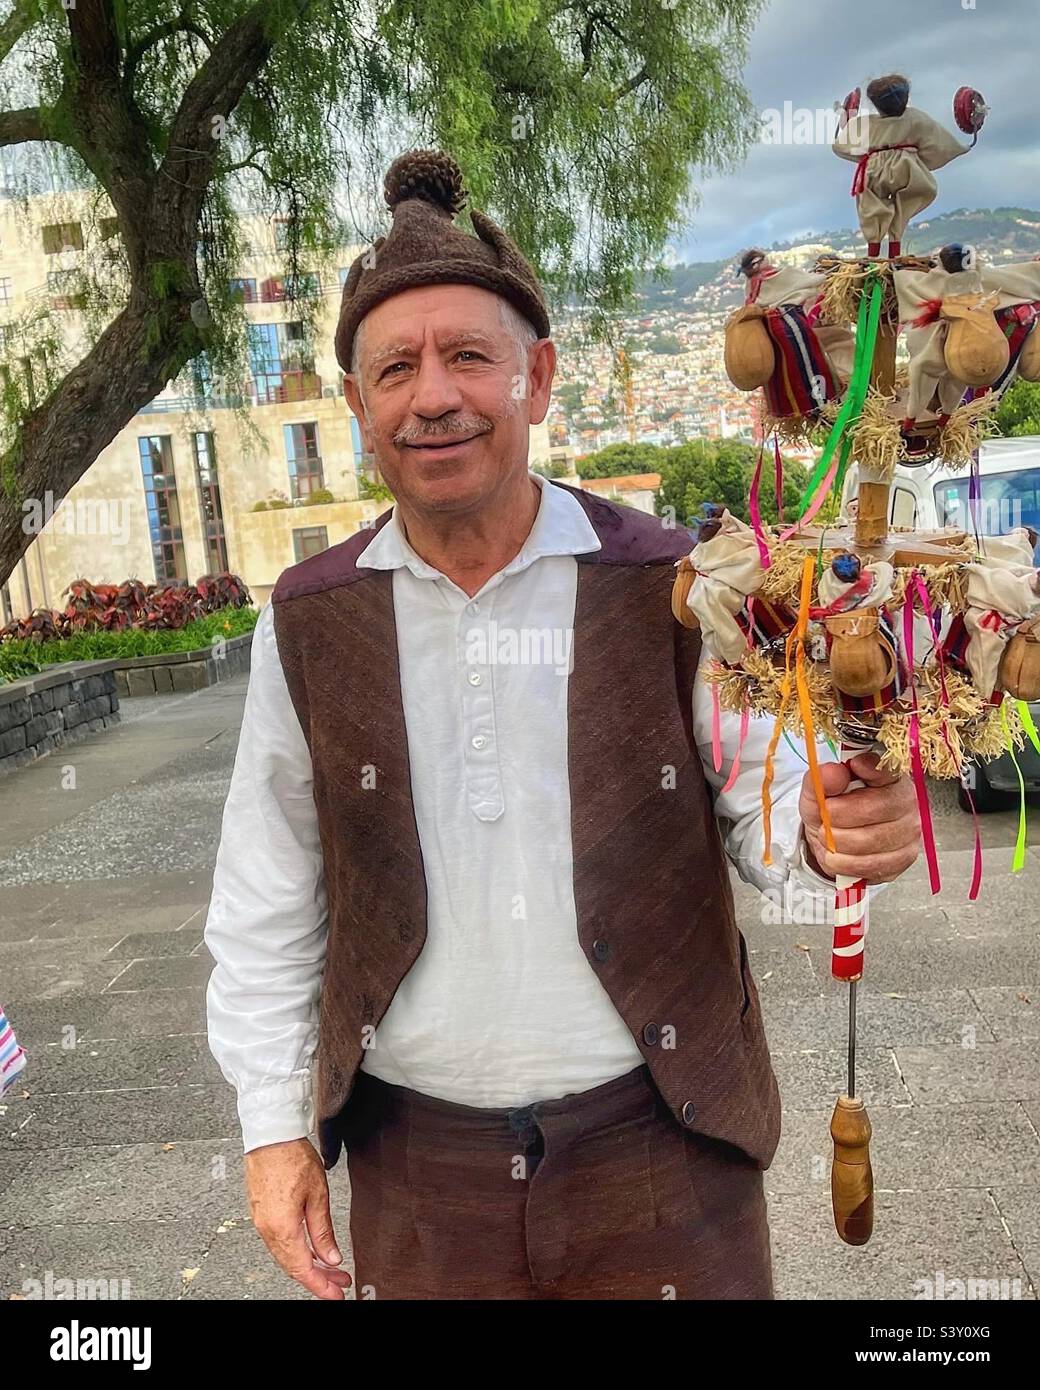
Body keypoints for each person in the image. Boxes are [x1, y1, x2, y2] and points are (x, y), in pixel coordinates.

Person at [204, 148, 920, 1301]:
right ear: (357, 408)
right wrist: (271, 1127)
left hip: (663, 1156)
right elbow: (267, 898)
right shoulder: (307, 623)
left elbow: (770, 820)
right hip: (416, 1179)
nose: (431, 393)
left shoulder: (675, 586)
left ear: (535, 377)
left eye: (467, 357)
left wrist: (834, 835)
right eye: (394, 368)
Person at [833, 74, 970, 259]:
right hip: (907, 167)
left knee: (871, 207)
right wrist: (964, 146)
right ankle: (894, 249)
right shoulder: (916, 119)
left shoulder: (864, 124)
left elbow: (842, 146)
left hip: (873, 170)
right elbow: (937, 143)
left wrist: (847, 129)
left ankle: (873, 253)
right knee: (907, 202)